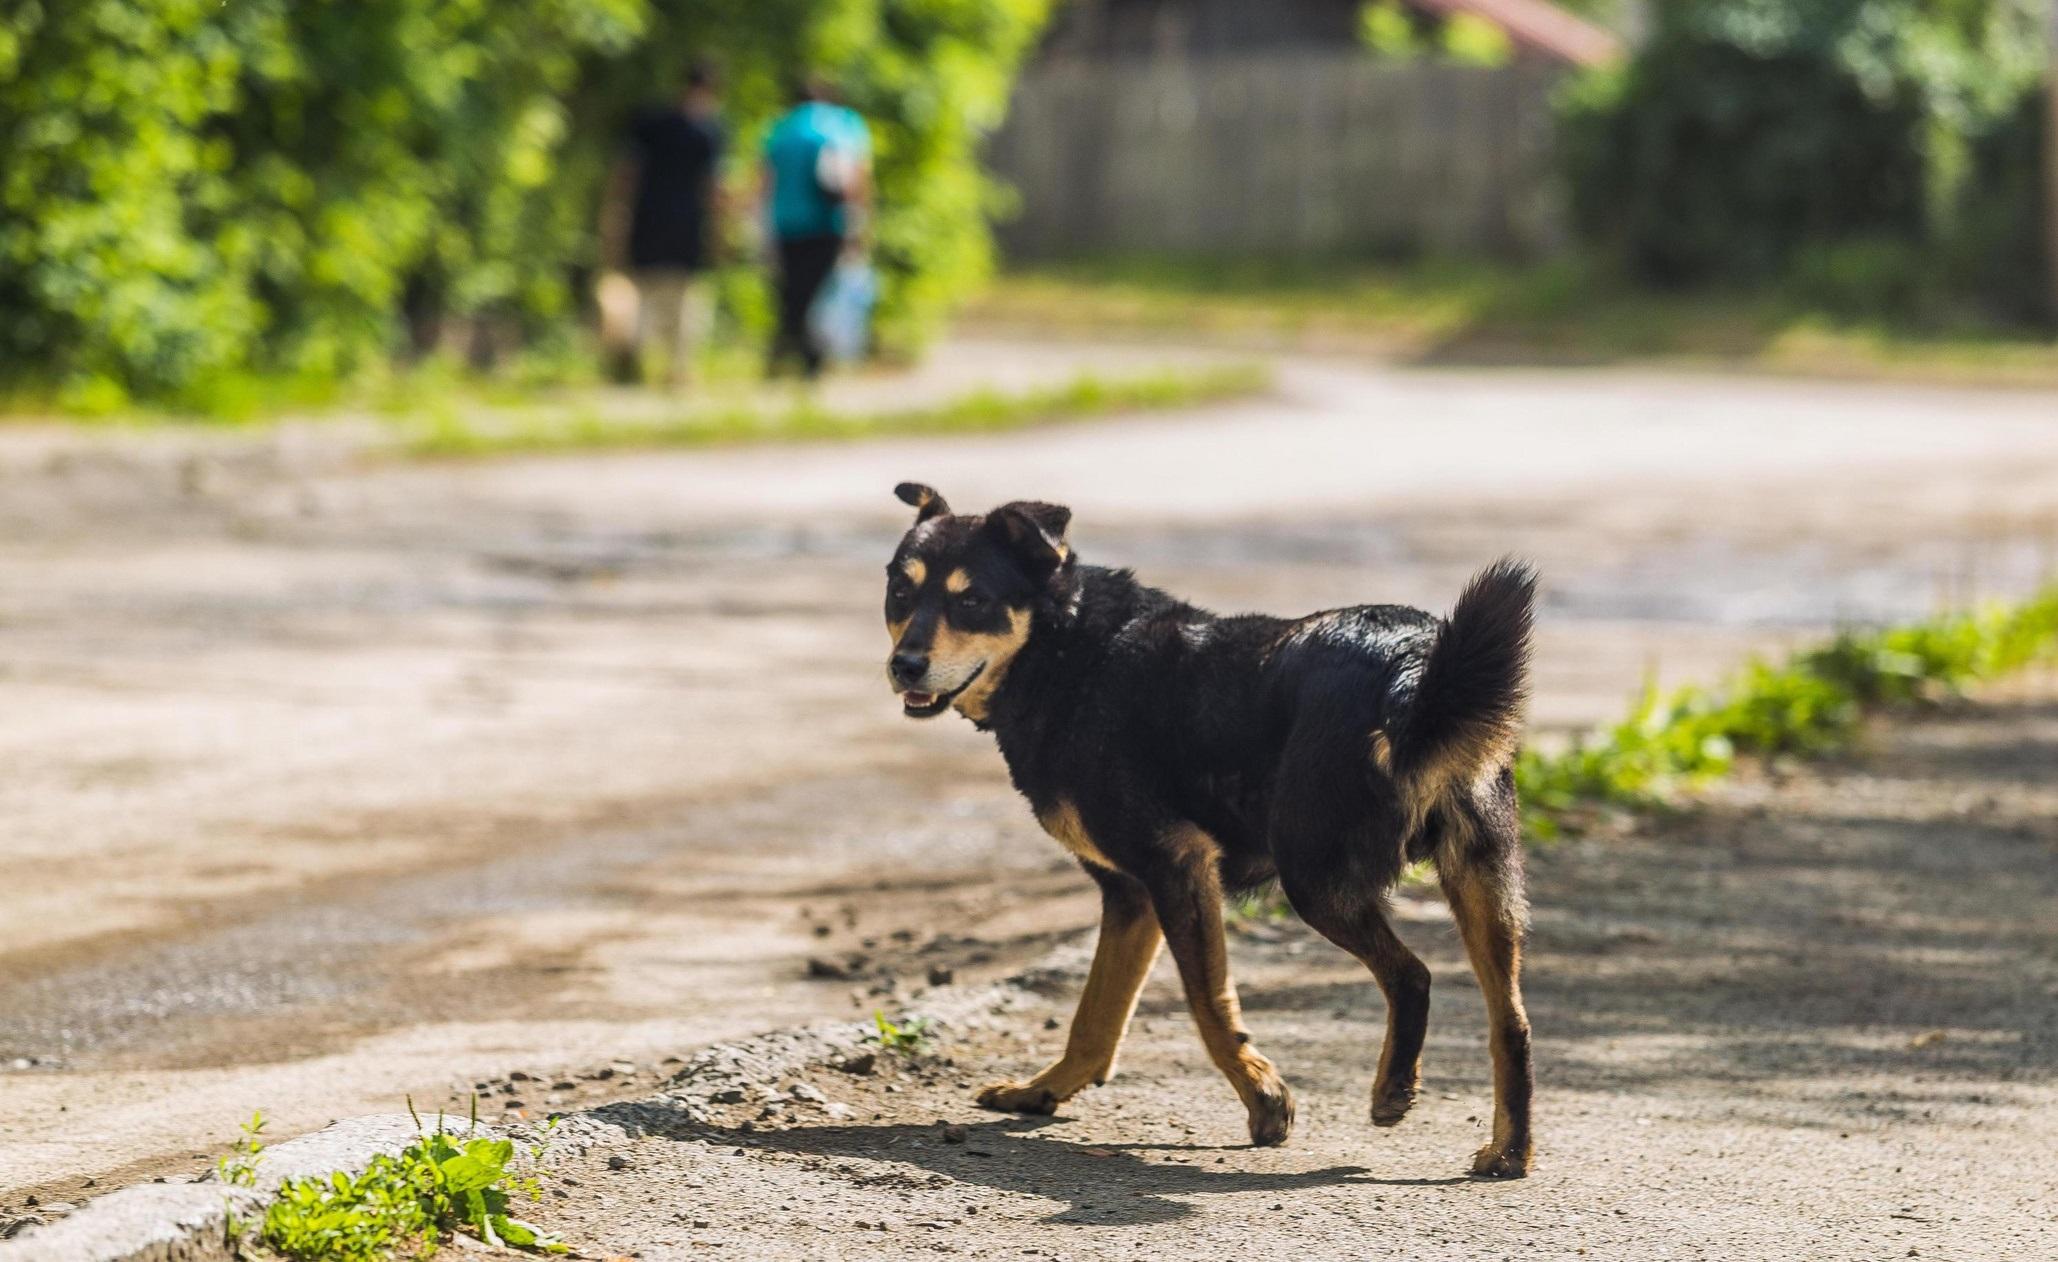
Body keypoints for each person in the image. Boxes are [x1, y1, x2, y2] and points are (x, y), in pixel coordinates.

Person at [602, 63, 726, 388]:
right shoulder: (710, 131)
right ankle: (678, 370)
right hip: (687, 224)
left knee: (645, 294)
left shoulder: (650, 122)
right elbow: (713, 187)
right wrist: (721, 232)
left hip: (648, 219)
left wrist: (616, 214)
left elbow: (626, 174)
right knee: (685, 301)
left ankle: (635, 363)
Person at [760, 77, 871, 379]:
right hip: (825, 223)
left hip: (785, 223)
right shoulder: (837, 128)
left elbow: (765, 182)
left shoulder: (779, 130)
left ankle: (785, 349)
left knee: (792, 290)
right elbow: (852, 180)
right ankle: (811, 357)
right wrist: (859, 221)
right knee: (820, 292)